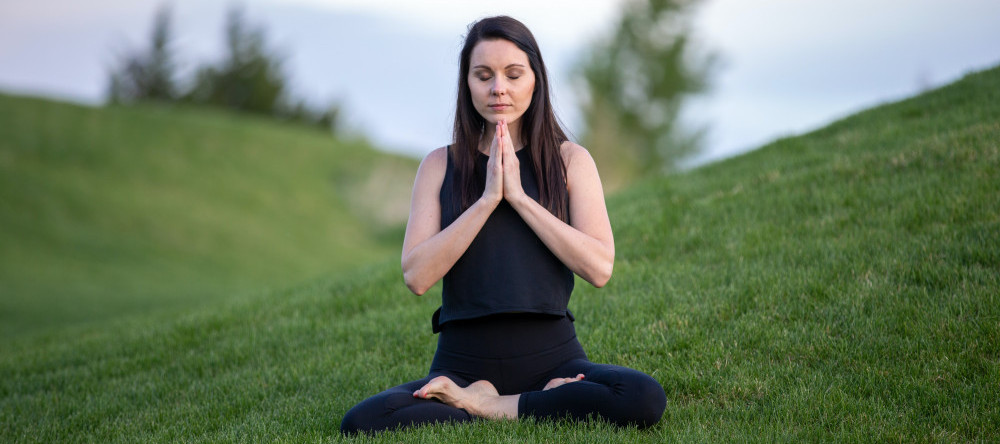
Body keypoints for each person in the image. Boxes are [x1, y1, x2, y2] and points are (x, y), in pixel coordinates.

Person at [340, 15, 666, 434]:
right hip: (461, 364)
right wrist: (488, 198)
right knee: (362, 421)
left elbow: (599, 268)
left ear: (535, 79)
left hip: (555, 359)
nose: (499, 88)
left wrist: (520, 198)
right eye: (483, 75)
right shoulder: (439, 165)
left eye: (513, 74)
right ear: (467, 83)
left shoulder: (571, 161)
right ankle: (520, 401)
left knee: (642, 397)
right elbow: (416, 276)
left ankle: (489, 406)